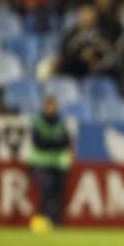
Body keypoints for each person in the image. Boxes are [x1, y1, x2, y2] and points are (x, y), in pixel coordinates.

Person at [27, 95, 73, 233]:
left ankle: (55, 222)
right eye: (48, 106)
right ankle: (42, 220)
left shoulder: (61, 122)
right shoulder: (38, 122)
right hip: (41, 163)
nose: (51, 108)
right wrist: (55, 142)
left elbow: (66, 142)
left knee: (57, 195)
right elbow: (38, 143)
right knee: (46, 191)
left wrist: (50, 142)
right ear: (44, 107)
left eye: (53, 106)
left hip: (59, 164)